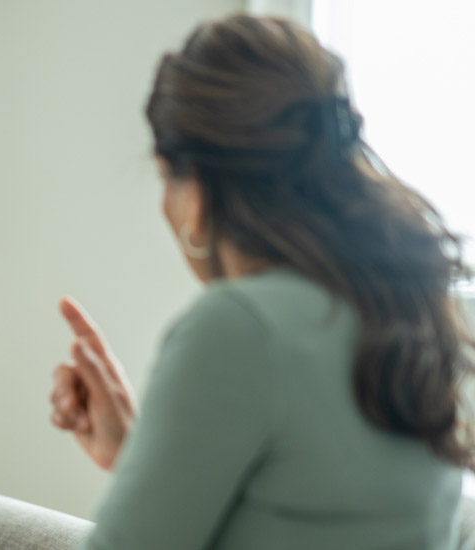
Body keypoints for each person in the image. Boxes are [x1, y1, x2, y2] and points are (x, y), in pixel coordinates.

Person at [49, 14, 473, 549]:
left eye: (164, 177)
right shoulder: (414, 304)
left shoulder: (239, 329)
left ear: (197, 192)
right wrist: (142, 457)